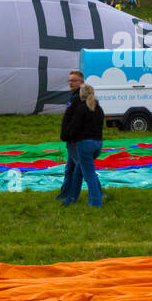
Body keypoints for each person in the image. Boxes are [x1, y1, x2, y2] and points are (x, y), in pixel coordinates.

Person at [60, 84, 105, 207]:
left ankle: (95, 203)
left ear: (81, 94)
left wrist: (67, 135)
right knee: (78, 172)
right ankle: (70, 199)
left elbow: (74, 127)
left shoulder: (81, 108)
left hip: (84, 145)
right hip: (98, 145)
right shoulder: (99, 109)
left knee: (89, 175)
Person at [56, 71, 85, 203]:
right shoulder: (74, 96)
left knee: (84, 168)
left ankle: (98, 193)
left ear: (81, 82)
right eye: (70, 80)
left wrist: (73, 137)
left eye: (74, 80)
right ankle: (65, 193)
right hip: (71, 139)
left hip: (75, 140)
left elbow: (77, 121)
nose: (71, 83)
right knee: (70, 169)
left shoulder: (79, 98)